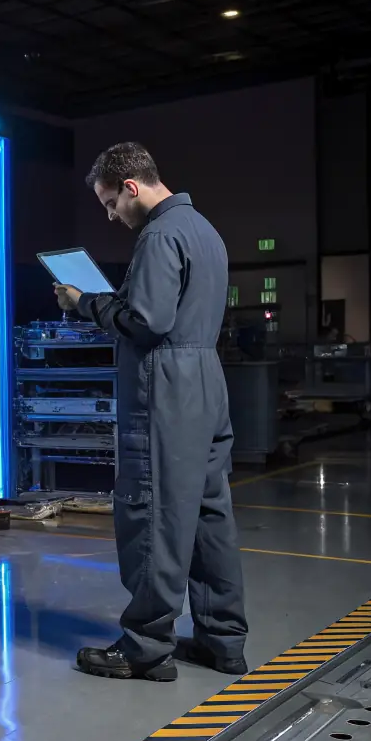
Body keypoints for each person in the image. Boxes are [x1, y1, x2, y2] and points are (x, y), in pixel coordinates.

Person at [54, 142, 248, 682]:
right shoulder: (203, 229)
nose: (110, 215)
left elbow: (147, 321)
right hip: (207, 382)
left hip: (166, 388)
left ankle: (145, 648)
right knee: (210, 516)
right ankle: (222, 642)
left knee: (154, 513)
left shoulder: (159, 235)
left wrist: (84, 302)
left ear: (132, 187)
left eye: (110, 203)